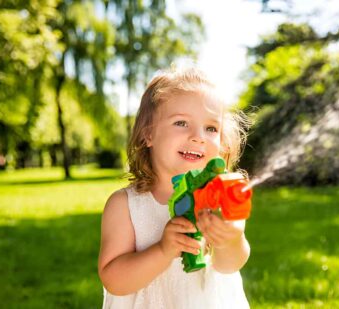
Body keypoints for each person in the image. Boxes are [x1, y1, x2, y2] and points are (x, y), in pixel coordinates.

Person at [98, 66, 251, 308]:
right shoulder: (125, 205)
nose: (198, 136)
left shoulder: (220, 198)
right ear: (148, 133)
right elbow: (113, 279)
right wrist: (162, 251)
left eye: (211, 128)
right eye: (181, 122)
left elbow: (229, 265)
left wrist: (230, 239)